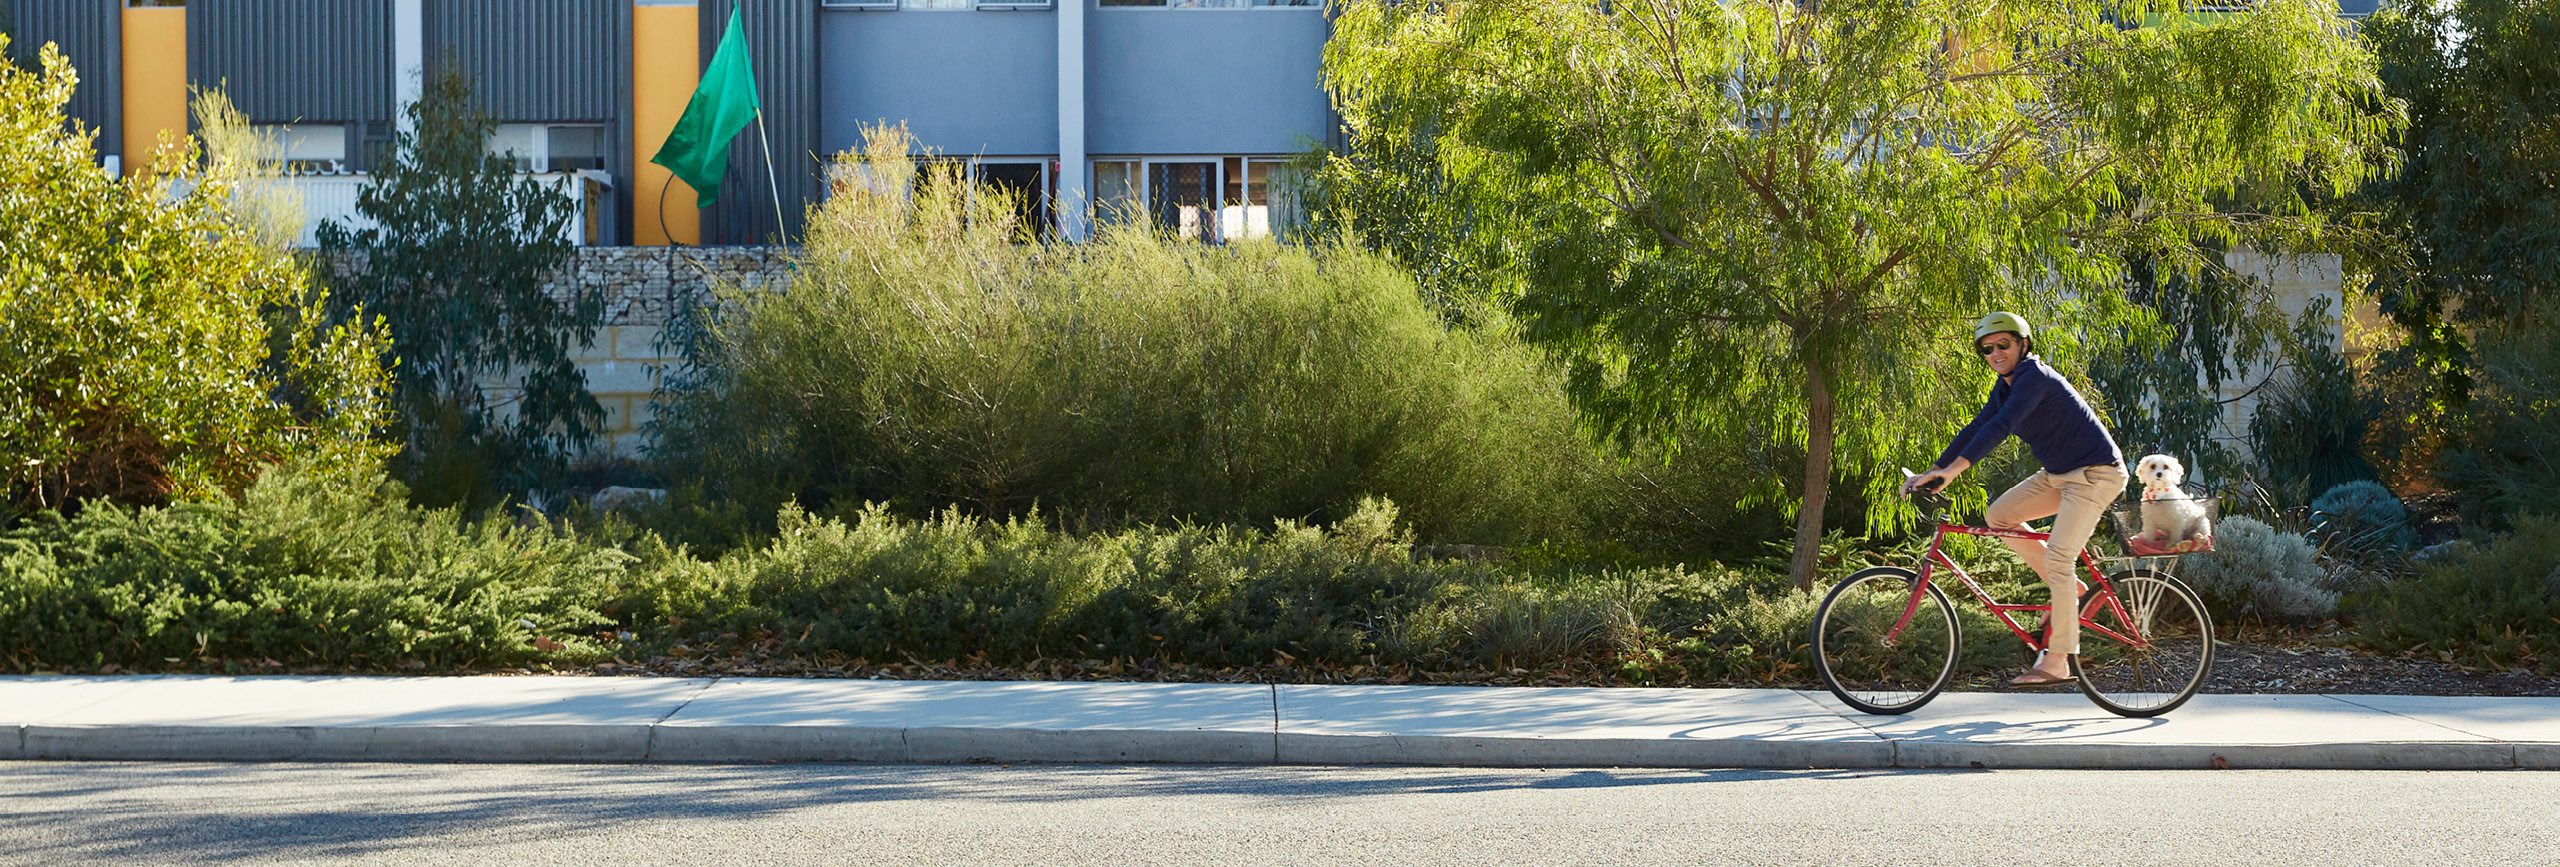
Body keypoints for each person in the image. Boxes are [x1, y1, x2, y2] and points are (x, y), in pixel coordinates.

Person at [1901, 312, 2128, 687]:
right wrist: (1936, 469)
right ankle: (2072, 591)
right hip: (2060, 474)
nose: (1994, 353)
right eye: (1987, 349)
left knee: (2059, 556)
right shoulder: (2005, 386)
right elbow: (1977, 426)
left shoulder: (2034, 377)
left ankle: (2058, 662)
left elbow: (2001, 427)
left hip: (2095, 474)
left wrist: (1955, 471)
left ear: (2023, 344)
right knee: (2000, 515)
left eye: (2002, 344)